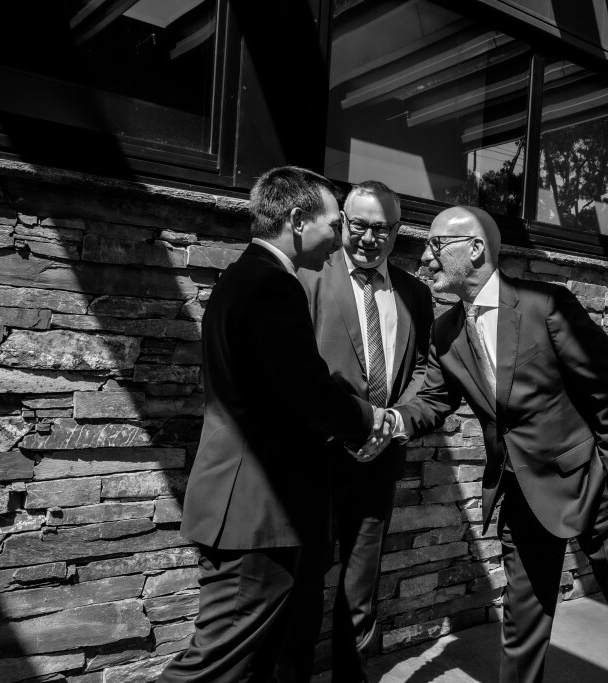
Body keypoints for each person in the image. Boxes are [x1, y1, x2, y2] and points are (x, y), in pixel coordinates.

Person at [393, 206, 608, 683]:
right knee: (522, 623)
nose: (425, 256)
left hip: (591, 482)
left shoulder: (546, 305)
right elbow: (434, 401)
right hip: (521, 491)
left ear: (475, 248)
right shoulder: (444, 331)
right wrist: (390, 422)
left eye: (436, 244)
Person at [158, 167, 394, 683]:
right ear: (298, 219)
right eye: (335, 224)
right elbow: (307, 392)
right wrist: (370, 418)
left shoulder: (245, 277)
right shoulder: (271, 286)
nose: (340, 238)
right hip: (255, 511)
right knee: (216, 668)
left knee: (250, 666)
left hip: (253, 508)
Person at [281, 181, 433, 682]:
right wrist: (349, 426)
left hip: (379, 462)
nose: (370, 238)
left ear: (397, 231)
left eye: (382, 229)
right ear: (343, 221)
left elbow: (421, 370)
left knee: (361, 589)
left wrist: (393, 423)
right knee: (302, 587)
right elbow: (297, 370)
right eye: (360, 225)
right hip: (317, 460)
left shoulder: (415, 293)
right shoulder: (308, 276)